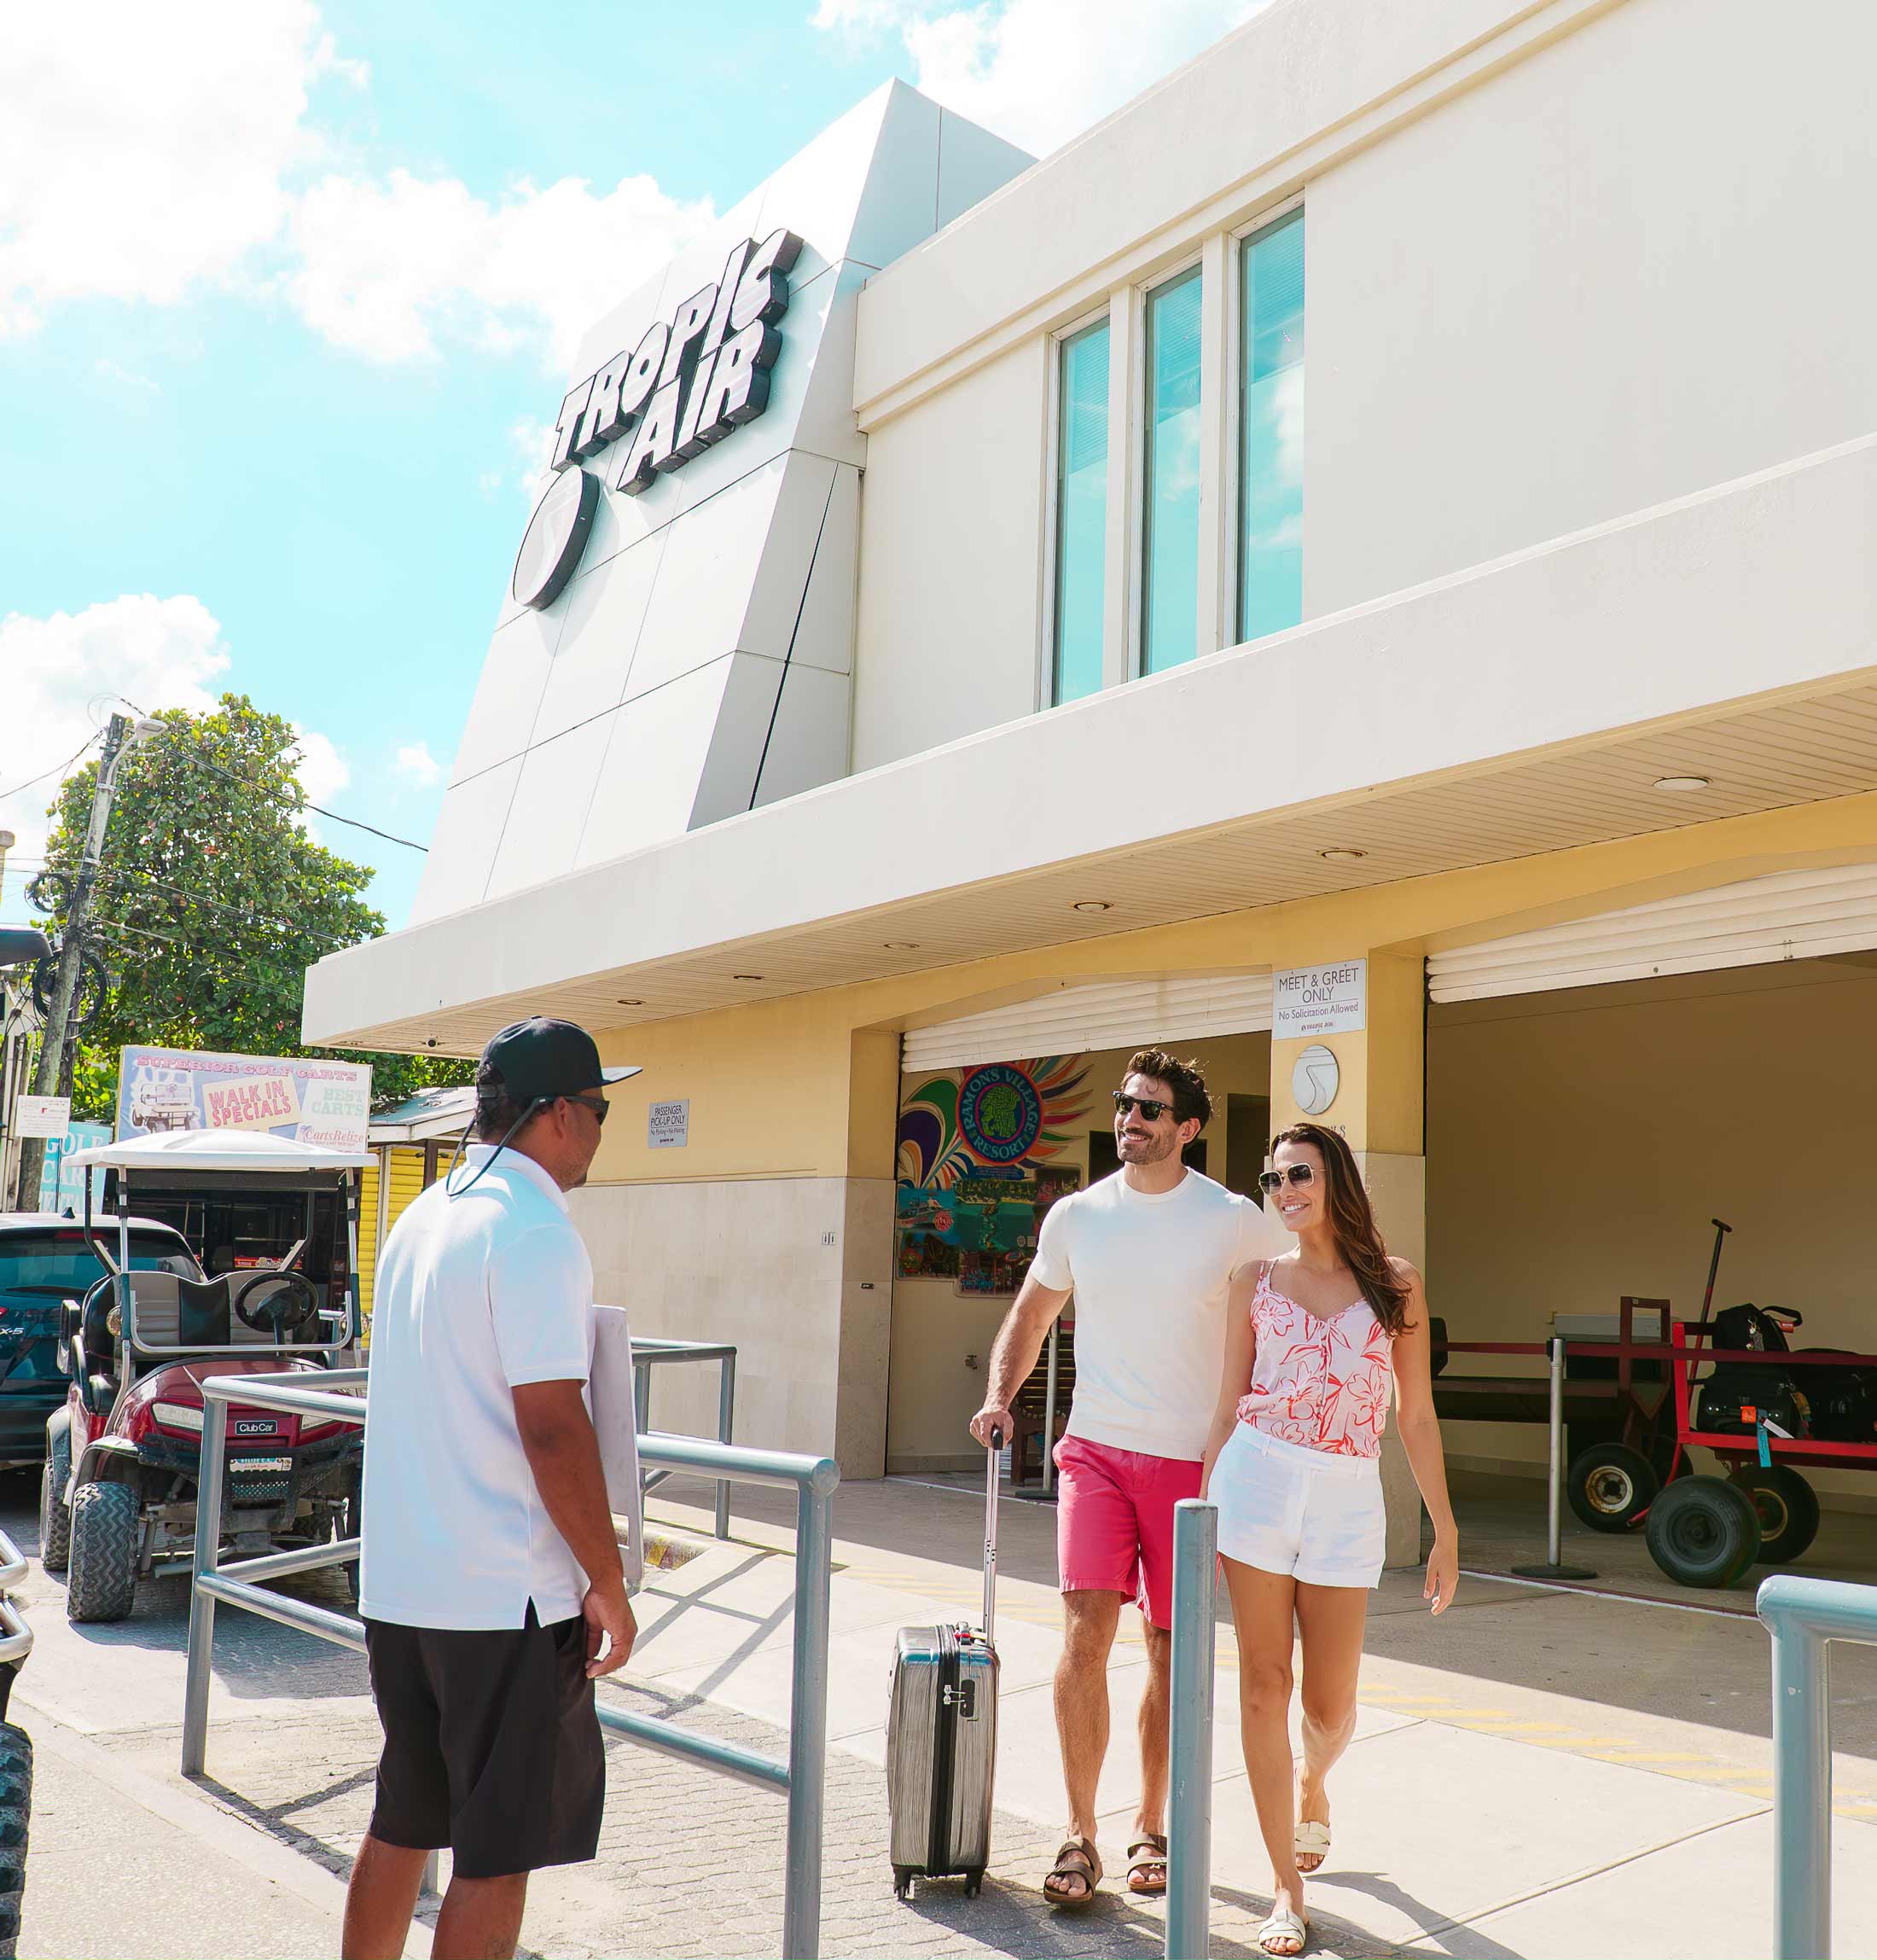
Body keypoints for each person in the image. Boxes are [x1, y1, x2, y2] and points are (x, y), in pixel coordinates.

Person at [341, 1016, 642, 1960]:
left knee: (403, 1819)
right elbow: (551, 1424)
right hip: (501, 1597)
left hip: (404, 1584)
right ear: (557, 1114)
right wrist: (607, 1579)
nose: (600, 1131)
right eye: (599, 1109)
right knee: (497, 1856)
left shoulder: (423, 1215)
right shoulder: (535, 1229)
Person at [969, 1049, 1287, 1908]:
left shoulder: (1233, 1220)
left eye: (1149, 1108)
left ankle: (1152, 1823)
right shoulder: (1078, 1215)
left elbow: (1296, 1297)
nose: (1130, 1118)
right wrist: (999, 1394)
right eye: (1124, 1103)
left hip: (1191, 1462)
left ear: (1188, 1128)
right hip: (1096, 1451)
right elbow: (1033, 1311)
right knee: (1084, 1635)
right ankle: (1079, 1832)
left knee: (1167, 1647)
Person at [1200, 1121, 1458, 1958]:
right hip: (1256, 1480)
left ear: (1336, 1178)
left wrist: (1445, 1526)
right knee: (1261, 1685)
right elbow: (1226, 1403)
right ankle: (1286, 1883)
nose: (1285, 1191)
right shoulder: (1253, 1279)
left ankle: (1314, 1778)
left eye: (1300, 1174)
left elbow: (1415, 1414)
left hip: (1347, 1492)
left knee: (1328, 1705)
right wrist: (1201, 1509)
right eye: (1274, 1179)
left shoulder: (1396, 1283)